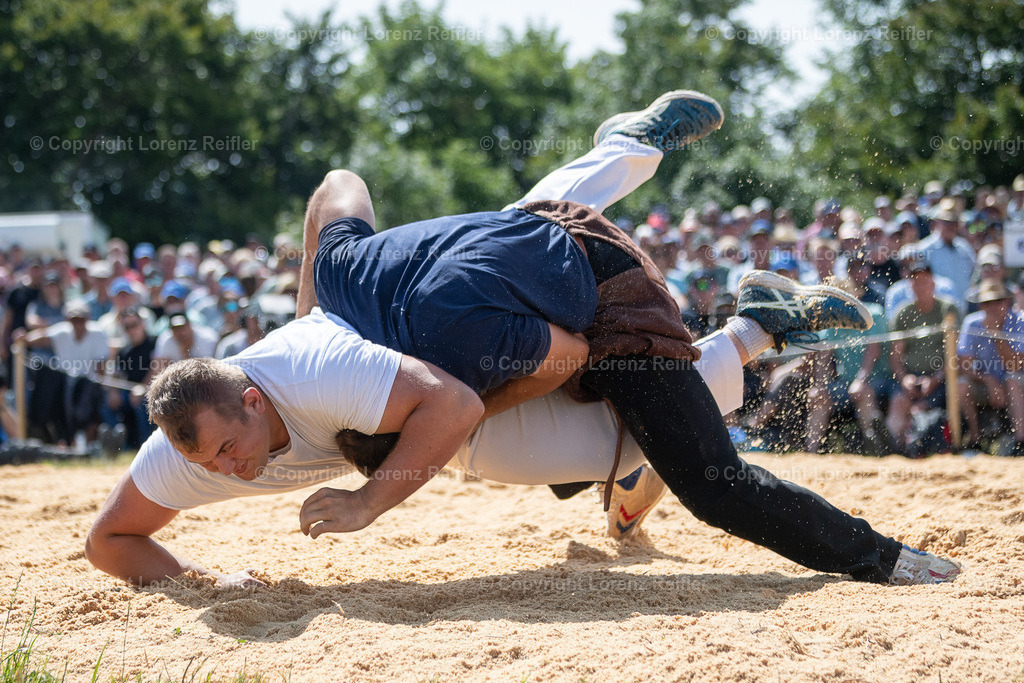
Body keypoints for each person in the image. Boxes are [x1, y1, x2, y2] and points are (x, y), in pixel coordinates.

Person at [88, 91, 959, 589]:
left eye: (233, 449)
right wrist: (199, 584)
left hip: (596, 291)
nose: (232, 471)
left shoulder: (375, 360)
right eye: (216, 463)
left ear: (250, 395)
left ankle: (880, 549)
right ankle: (747, 300)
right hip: (479, 267)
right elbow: (338, 182)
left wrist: (378, 490)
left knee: (695, 468)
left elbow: (557, 359)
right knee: (525, 240)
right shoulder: (336, 294)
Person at [956, 280, 1024, 454]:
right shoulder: (972, 323)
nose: (993, 307)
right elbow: (964, 365)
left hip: (1016, 386)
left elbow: (1015, 365)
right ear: (980, 305)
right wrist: (989, 381)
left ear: (1007, 301)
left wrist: (996, 335)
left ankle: (1020, 443)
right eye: (987, 302)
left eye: (998, 301)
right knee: (961, 386)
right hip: (987, 385)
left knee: (1012, 380)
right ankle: (975, 440)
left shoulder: (1020, 321)